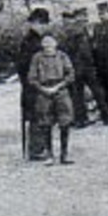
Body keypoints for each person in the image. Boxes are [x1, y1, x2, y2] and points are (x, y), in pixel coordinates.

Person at [27, 33, 76, 164]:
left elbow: (71, 74)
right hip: (43, 91)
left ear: (56, 44)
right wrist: (43, 89)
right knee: (45, 123)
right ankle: (49, 154)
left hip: (61, 89)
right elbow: (31, 78)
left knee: (65, 122)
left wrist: (59, 86)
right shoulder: (37, 58)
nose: (48, 46)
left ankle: (64, 154)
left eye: (51, 43)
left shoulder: (62, 56)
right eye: (45, 43)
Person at [59, 7, 108, 127]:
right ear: (76, 17)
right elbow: (78, 49)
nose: (85, 18)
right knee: (90, 92)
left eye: (85, 16)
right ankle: (104, 116)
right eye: (82, 16)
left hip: (82, 65)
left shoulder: (79, 29)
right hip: (81, 66)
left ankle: (82, 119)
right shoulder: (77, 30)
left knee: (82, 93)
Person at [17, 7, 50, 159]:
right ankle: (36, 150)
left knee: (39, 113)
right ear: (34, 23)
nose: (44, 27)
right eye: (42, 24)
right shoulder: (32, 42)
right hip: (33, 84)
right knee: (37, 114)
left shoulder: (33, 40)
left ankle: (38, 147)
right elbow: (25, 65)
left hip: (32, 83)